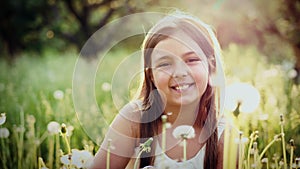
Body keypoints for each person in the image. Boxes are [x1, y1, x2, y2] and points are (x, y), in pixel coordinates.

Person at [90, 10, 226, 169]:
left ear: (211, 67)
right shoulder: (134, 120)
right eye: (164, 64)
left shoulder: (224, 136)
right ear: (151, 75)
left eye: (191, 59)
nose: (180, 73)